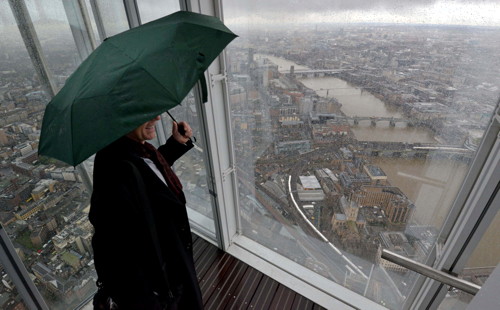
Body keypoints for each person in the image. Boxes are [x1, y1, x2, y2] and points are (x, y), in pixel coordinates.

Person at [89, 115, 203, 309]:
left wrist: (175, 143)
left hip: (168, 265)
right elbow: (115, 246)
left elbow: (147, 177)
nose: (157, 117)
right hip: (160, 281)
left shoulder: (133, 151)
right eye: (144, 111)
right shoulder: (115, 170)